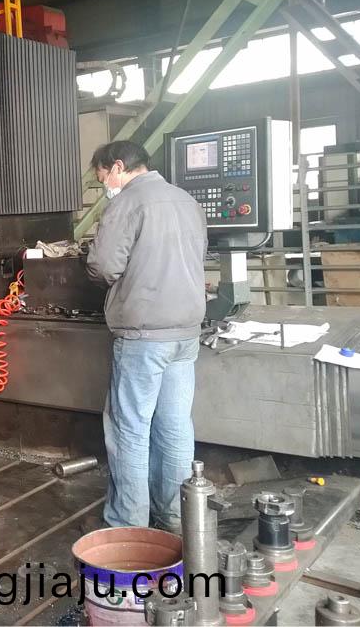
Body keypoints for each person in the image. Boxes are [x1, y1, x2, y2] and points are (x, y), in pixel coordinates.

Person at [85, 140, 207, 532]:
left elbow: (103, 266)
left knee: (129, 429)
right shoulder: (186, 200)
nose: (105, 185)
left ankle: (128, 525)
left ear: (117, 167)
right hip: (186, 332)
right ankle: (174, 518)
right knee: (175, 426)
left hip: (145, 333)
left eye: (102, 177)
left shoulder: (128, 202)